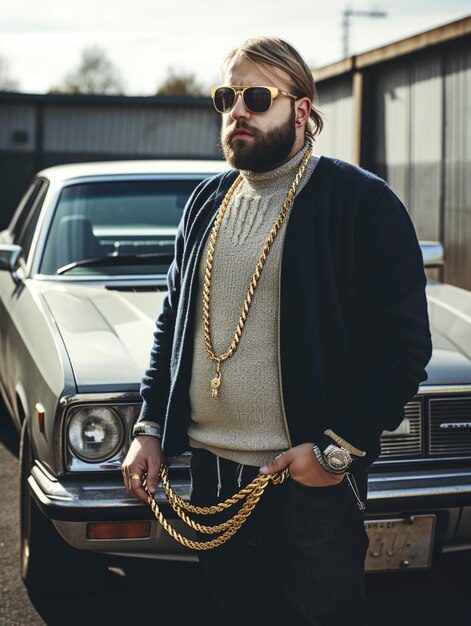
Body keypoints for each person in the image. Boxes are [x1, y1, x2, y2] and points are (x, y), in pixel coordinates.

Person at [122, 36, 432, 626]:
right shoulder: (205, 202)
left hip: (307, 481)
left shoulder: (360, 203)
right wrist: (150, 426)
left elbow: (404, 345)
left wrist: (335, 451)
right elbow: (173, 323)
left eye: (256, 97)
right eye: (226, 97)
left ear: (302, 110)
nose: (237, 111)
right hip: (212, 475)